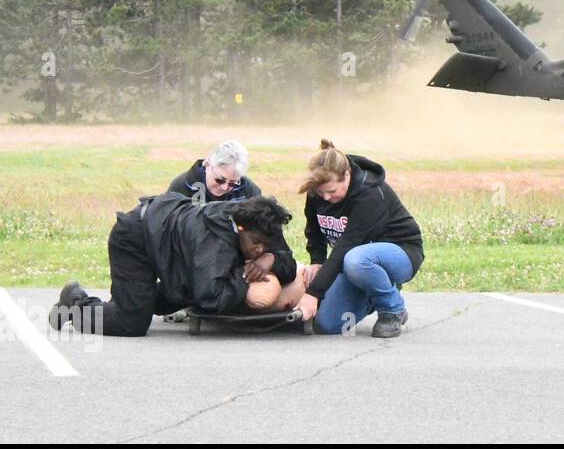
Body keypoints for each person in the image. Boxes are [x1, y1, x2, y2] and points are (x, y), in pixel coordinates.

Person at [49, 194, 297, 337]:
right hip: (136, 237)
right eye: (255, 244)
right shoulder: (214, 239)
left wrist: (271, 259)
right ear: (239, 228)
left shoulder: (262, 224)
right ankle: (74, 303)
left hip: (170, 243)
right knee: (131, 323)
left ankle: (130, 301)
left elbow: (289, 264)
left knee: (173, 295)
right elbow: (210, 298)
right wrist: (243, 273)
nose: (259, 250)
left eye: (265, 246)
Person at [295, 140, 424, 338]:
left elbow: (346, 246)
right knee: (326, 325)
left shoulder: (370, 194)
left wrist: (313, 293)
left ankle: (392, 307)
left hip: (400, 254)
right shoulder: (317, 192)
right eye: (321, 193)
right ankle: (373, 288)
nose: (326, 198)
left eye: (332, 191)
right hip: (354, 261)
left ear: (346, 175)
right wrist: (317, 261)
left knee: (356, 259)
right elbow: (314, 230)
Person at [167, 141, 262, 204]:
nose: (225, 187)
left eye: (232, 183)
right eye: (220, 180)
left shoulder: (248, 190)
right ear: (208, 165)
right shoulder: (182, 187)